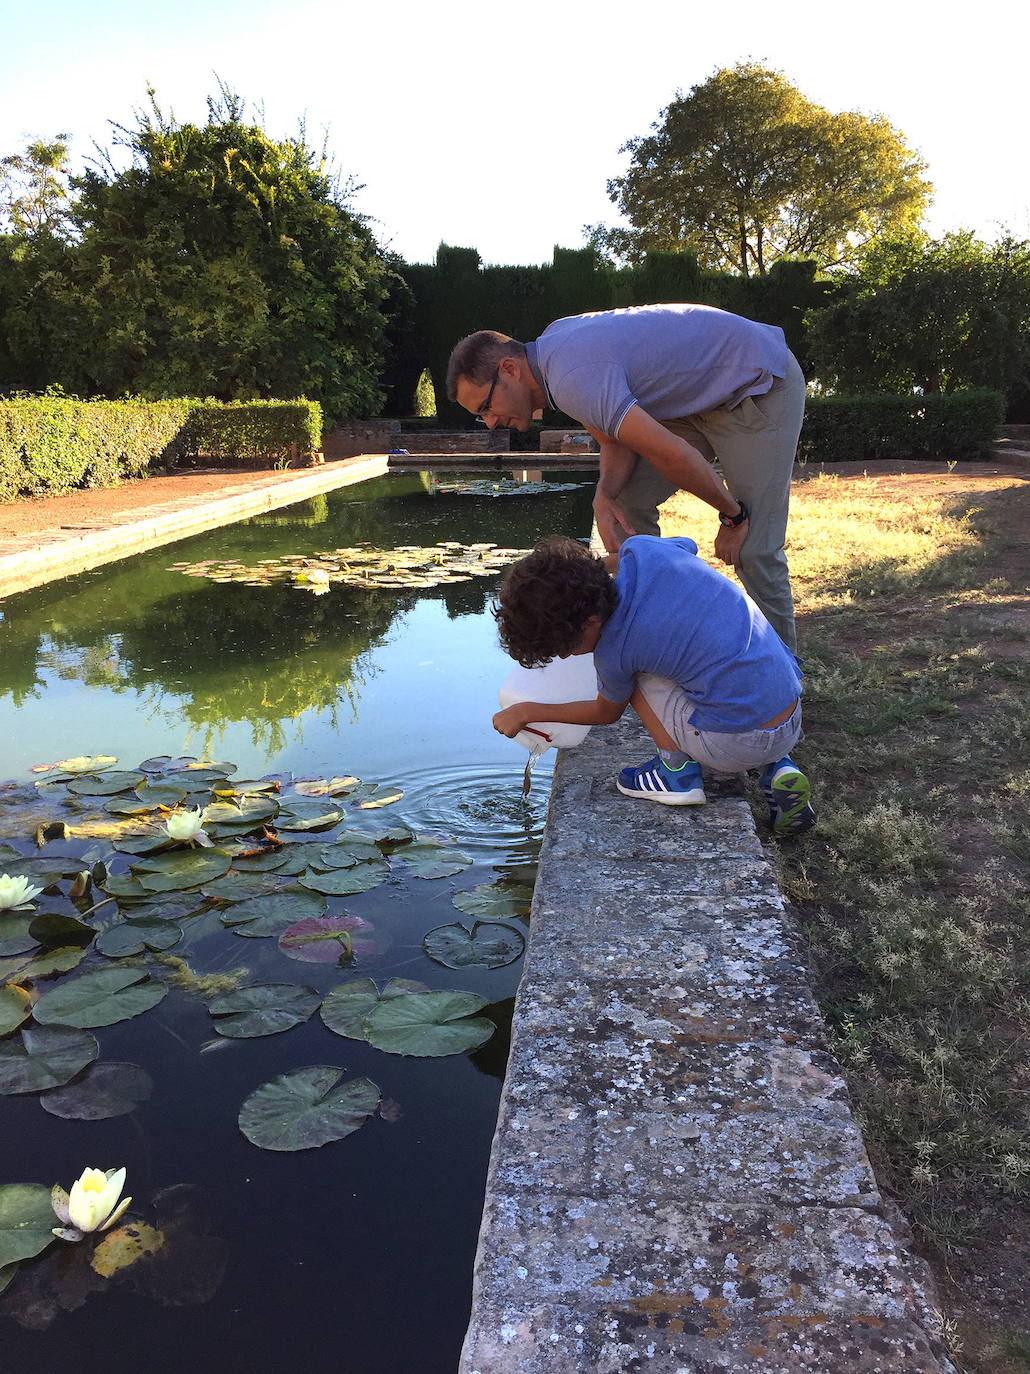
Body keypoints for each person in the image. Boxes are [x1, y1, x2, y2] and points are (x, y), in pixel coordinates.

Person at [447, 303, 806, 653]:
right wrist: (604, 493)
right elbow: (613, 441)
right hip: (697, 399)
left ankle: (783, 675)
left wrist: (733, 517)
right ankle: (657, 631)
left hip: (755, 383)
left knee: (753, 546)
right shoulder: (551, 358)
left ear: (509, 369)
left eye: (486, 407)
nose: (490, 423)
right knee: (624, 506)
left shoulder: (570, 376)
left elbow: (673, 455)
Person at [490, 533, 815, 837]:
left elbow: (605, 712)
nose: (565, 656)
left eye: (566, 647)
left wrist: (528, 711)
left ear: (591, 622)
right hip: (789, 711)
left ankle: (676, 774)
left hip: (731, 746)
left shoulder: (617, 648)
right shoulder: (644, 550)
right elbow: (686, 544)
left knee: (634, 677)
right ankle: (778, 766)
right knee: (716, 666)